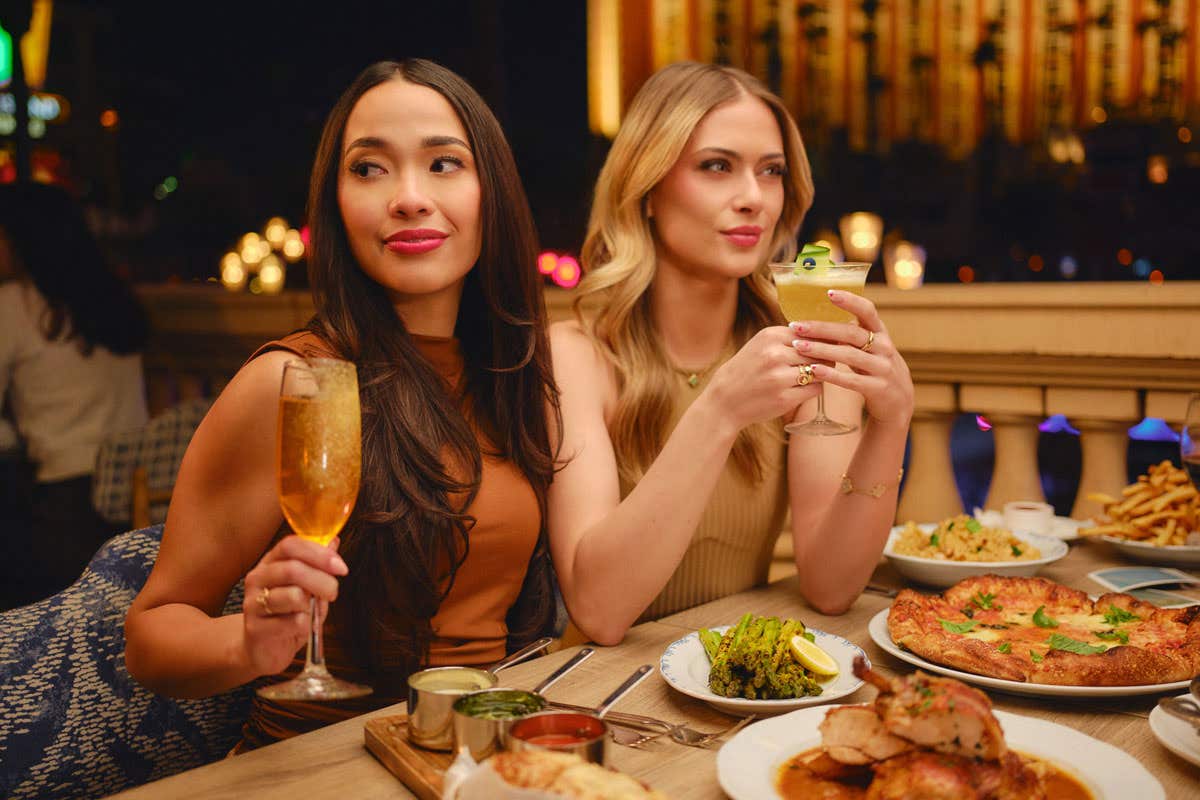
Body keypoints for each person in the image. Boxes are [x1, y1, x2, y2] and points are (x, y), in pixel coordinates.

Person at [123, 58, 582, 750]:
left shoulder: (511, 375)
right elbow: (152, 638)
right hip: (322, 765)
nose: (408, 197)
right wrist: (248, 641)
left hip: (474, 758)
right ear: (334, 204)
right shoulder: (297, 381)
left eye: (443, 164)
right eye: (368, 169)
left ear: (493, 190)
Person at [547, 62, 915, 644]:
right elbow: (598, 611)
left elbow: (831, 586)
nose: (753, 198)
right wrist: (719, 411)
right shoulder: (577, 355)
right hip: (601, 694)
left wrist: (891, 424)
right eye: (716, 167)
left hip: (732, 683)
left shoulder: (806, 344)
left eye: (771, 172)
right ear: (646, 190)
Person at [0, 183, 149, 609]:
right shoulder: (110, 299)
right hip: (138, 497)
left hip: (63, 511)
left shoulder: (16, 304)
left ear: (21, 240)